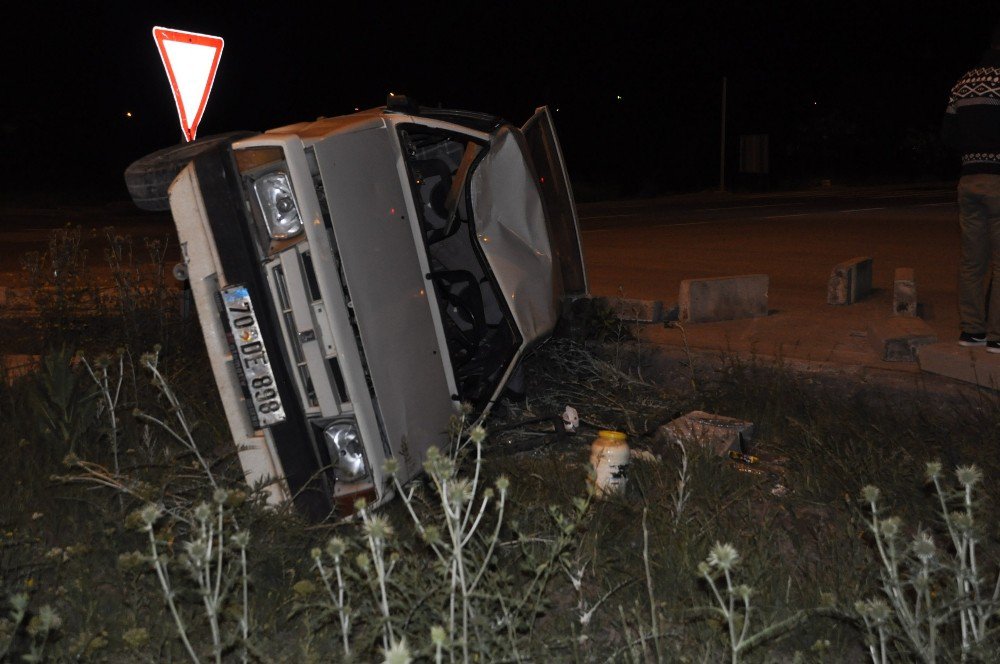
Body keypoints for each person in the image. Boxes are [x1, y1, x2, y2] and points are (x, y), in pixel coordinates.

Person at [943, 24, 1000, 353]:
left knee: (971, 261)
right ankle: (996, 336)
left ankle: (972, 331)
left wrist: (973, 151)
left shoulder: (962, 83)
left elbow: (948, 135)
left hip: (969, 179)